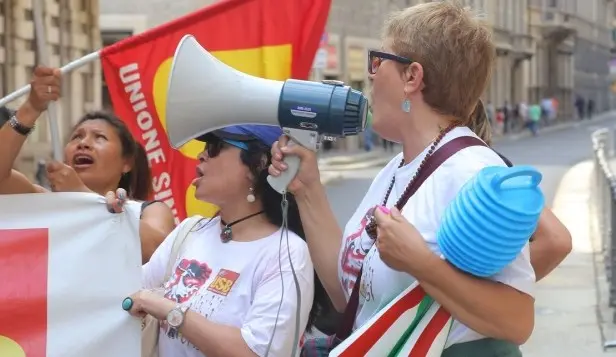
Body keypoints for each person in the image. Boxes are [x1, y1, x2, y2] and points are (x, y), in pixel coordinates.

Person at [269, 3, 571, 356]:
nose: (371, 75)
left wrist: (422, 265)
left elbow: (516, 321)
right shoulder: (398, 167)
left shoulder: (470, 172)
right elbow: (347, 295)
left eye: (378, 61)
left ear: (412, 77)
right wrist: (307, 189)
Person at [123, 125, 330, 357]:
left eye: (215, 148)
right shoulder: (191, 230)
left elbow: (256, 353)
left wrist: (170, 311)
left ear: (258, 165)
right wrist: (109, 221)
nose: (201, 155)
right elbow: (123, 290)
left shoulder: (287, 251)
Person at [0, 66, 175, 263]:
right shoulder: (44, 205)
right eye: (76, 137)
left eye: (99, 137)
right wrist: (31, 108)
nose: (83, 143)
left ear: (126, 163)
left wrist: (84, 196)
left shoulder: (149, 211)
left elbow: (160, 253)